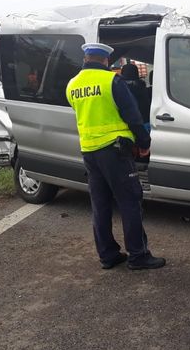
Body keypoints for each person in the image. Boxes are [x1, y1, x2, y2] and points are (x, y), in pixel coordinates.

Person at [66, 43, 166, 270]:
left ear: (86, 58)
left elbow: (80, 112)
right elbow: (132, 116)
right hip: (115, 151)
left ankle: (108, 255)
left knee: (100, 206)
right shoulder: (112, 81)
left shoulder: (72, 85)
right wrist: (144, 142)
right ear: (105, 60)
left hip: (89, 152)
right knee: (130, 202)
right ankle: (138, 256)